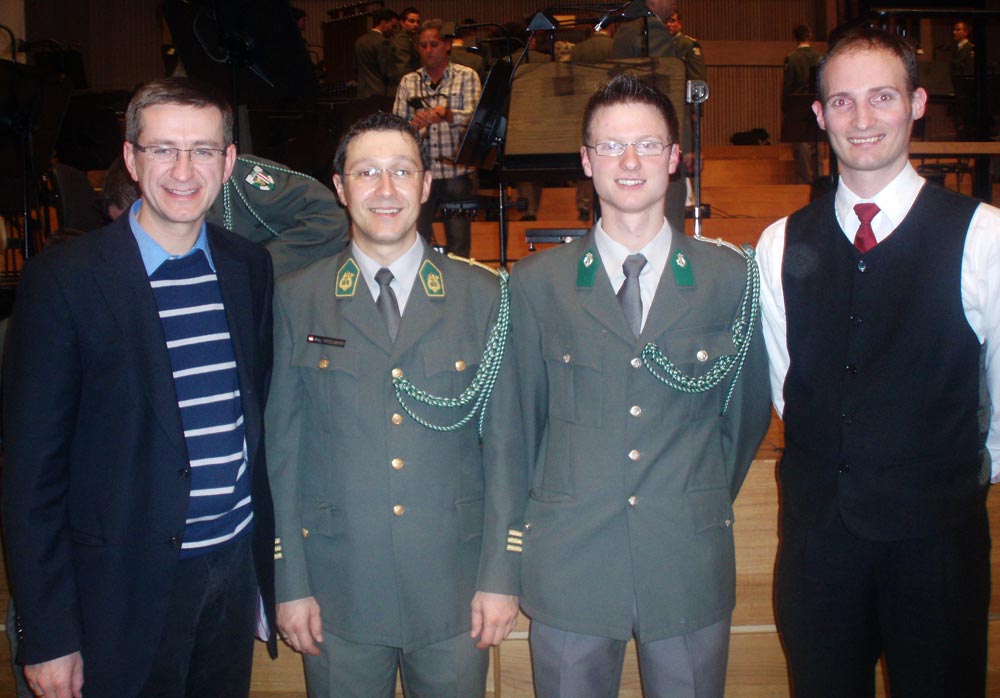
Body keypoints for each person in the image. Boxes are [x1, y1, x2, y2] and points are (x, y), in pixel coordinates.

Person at [2, 77, 277, 698]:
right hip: (119, 588)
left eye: (204, 150)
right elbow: (30, 477)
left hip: (230, 574)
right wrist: (46, 632)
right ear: (131, 158)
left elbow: (248, 420)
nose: (184, 170)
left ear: (229, 161)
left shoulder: (247, 268)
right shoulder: (63, 282)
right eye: (163, 149)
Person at [510, 73, 771, 698]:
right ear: (585, 160)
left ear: (675, 158)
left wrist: (691, 495)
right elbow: (521, 427)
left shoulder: (729, 278)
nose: (629, 162)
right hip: (570, 565)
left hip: (685, 559)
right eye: (610, 146)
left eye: (648, 145)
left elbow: (743, 418)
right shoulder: (535, 284)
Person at [757, 26, 1000, 698]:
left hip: (937, 547)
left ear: (918, 103)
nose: (862, 120)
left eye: (882, 97)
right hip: (817, 549)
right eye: (842, 102)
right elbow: (789, 385)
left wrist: (942, 483)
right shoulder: (779, 244)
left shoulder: (984, 236)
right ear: (818, 114)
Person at [266, 112, 525, 698]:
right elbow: (281, 453)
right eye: (367, 173)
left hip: (455, 594)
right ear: (339, 187)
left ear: (426, 184)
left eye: (402, 171)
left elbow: (507, 450)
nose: (386, 190)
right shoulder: (295, 299)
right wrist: (289, 581)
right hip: (337, 594)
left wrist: (501, 575)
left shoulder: (484, 296)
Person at [613, 1, 705, 231]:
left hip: (631, 137)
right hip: (656, 145)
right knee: (669, 224)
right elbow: (667, 94)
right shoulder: (651, 29)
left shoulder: (626, 28)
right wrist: (683, 145)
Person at [393, 19, 481, 257]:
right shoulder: (408, 82)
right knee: (415, 241)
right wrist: (413, 124)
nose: (428, 50)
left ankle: (460, 289)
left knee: (459, 244)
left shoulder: (467, 76)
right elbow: (396, 128)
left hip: (455, 171)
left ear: (448, 46)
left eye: (434, 44)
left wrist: (448, 114)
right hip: (419, 175)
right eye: (423, 45)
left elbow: (476, 120)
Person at [781, 24, 821, 184]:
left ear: (795, 37)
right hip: (816, 100)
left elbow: (788, 85)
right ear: (810, 35)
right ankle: (818, 178)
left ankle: (804, 180)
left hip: (798, 102)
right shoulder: (819, 57)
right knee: (816, 141)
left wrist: (785, 106)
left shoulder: (792, 58)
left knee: (800, 142)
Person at [354, 9, 398, 99]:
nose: (394, 31)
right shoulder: (383, 42)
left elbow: (355, 68)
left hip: (362, 93)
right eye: (393, 26)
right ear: (383, 23)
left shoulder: (359, 41)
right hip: (379, 93)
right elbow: (388, 72)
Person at [389, 6, 422, 93]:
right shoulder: (402, 39)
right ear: (402, 23)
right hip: (404, 87)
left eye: (418, 22)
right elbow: (403, 67)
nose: (416, 25)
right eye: (411, 21)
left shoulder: (408, 39)